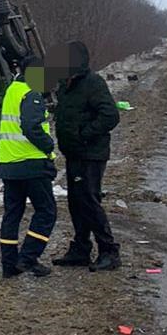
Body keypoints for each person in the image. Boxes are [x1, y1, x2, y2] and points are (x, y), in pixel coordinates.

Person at [51, 41, 121, 272]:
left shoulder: (92, 83)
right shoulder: (65, 85)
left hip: (91, 153)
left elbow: (110, 115)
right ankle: (80, 249)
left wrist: (85, 134)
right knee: (75, 201)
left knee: (89, 200)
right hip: (73, 153)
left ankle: (109, 251)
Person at [0, 56, 57, 278]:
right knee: (47, 211)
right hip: (31, 164)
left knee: (12, 213)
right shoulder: (31, 94)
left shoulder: (12, 89)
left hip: (9, 164)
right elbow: (31, 126)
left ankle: (9, 264)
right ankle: (28, 258)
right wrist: (49, 145)